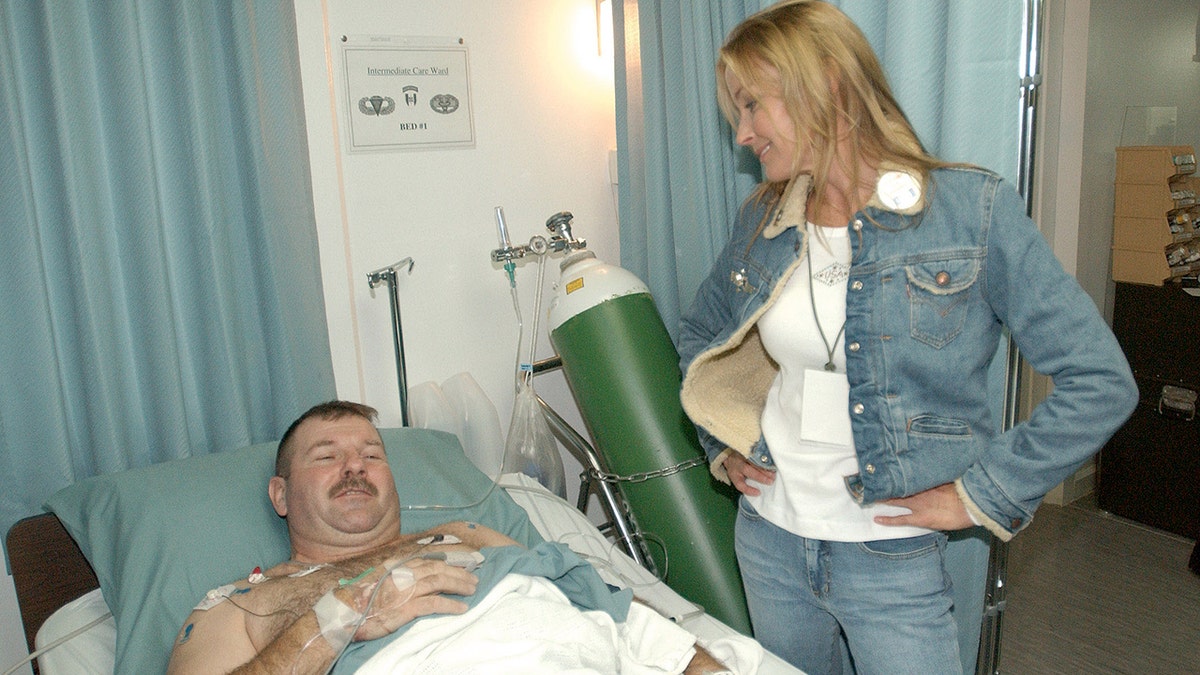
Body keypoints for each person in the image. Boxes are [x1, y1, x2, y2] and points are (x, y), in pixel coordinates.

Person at [676, 2, 1138, 673]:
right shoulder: (764, 222)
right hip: (770, 540)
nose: (742, 134)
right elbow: (700, 334)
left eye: (752, 105)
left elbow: (1101, 380)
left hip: (890, 555)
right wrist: (723, 443)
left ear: (828, 84)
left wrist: (981, 491)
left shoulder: (968, 213)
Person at [166, 400, 733, 674]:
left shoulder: (461, 534)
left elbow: (600, 600)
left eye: (370, 455)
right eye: (326, 457)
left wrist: (693, 662)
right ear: (281, 497)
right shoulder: (240, 603)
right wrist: (339, 619)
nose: (355, 468)